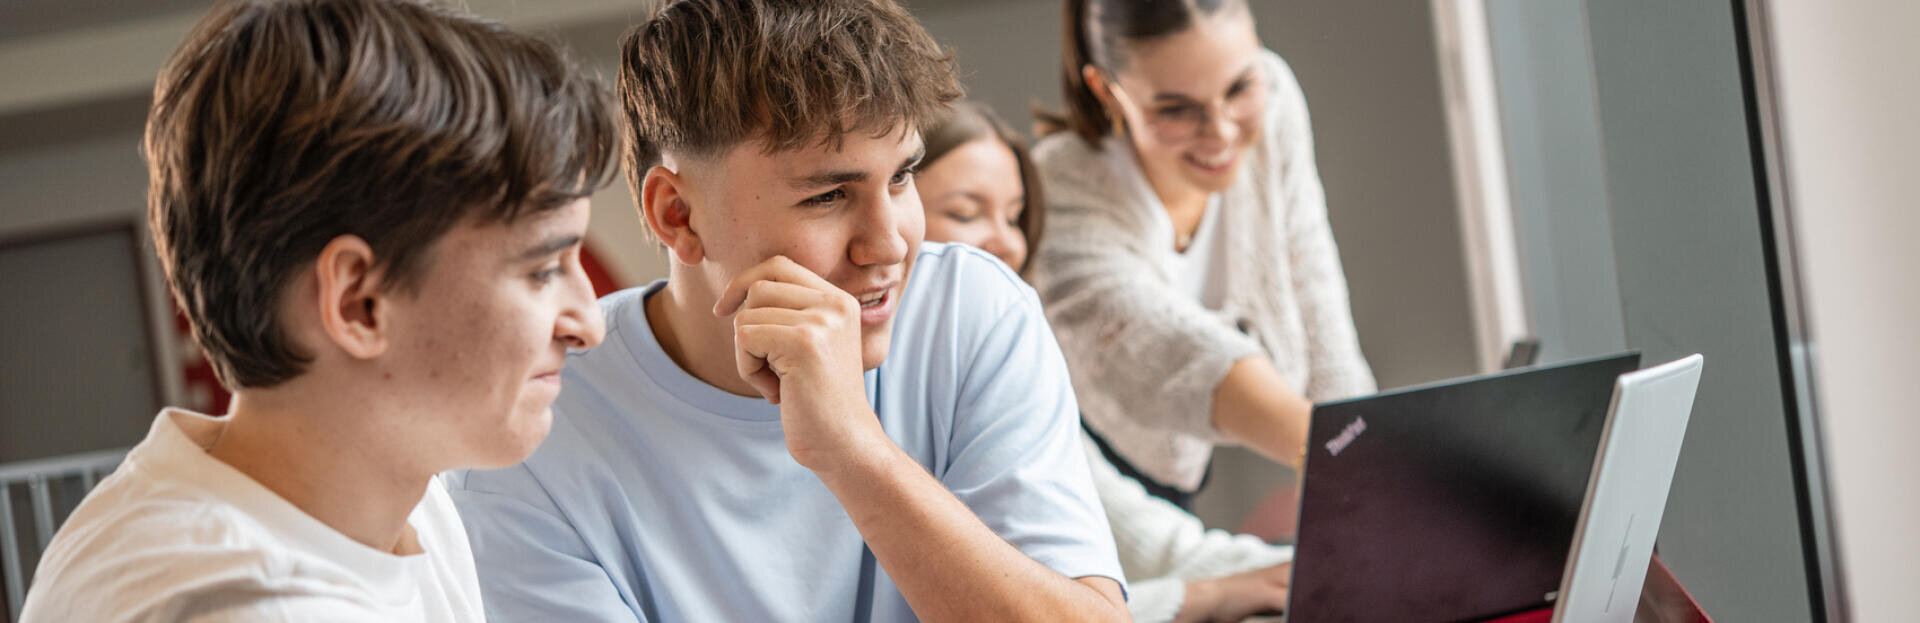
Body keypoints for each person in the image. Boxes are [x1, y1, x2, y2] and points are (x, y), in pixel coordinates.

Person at [444, 1, 1129, 621]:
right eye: (829, 195)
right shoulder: (530, 441)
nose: (889, 243)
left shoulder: (972, 310)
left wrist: (854, 452)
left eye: (902, 176)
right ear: (677, 214)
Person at [19, 1, 615, 621]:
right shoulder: (240, 606)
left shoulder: (404, 503)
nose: (588, 325)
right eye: (544, 270)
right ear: (359, 303)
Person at [919, 101, 1292, 623]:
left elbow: (1149, 544)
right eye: (965, 213)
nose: (1008, 243)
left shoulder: (1006, 379)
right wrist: (1202, 597)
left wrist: (1309, 564)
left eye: (1014, 216)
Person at [1030, 0, 1378, 508]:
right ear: (1107, 91)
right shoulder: (1058, 190)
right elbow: (1174, 353)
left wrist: (1373, 444)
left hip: (1235, 428)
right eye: (1175, 109)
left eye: (1239, 87)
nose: (1221, 131)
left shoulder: (1275, 98)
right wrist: (1360, 459)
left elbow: (1313, 284)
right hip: (1100, 464)